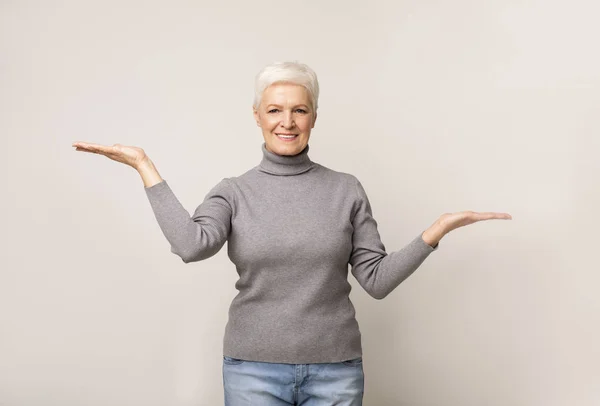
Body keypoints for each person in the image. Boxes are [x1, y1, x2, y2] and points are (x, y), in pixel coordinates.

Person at [72, 61, 512, 405]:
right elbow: (191, 246)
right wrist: (145, 168)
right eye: (275, 110)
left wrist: (436, 231)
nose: (287, 121)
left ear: (314, 117)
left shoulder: (346, 189)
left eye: (299, 109)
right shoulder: (234, 192)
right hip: (252, 370)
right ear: (257, 116)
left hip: (336, 370)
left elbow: (376, 281)